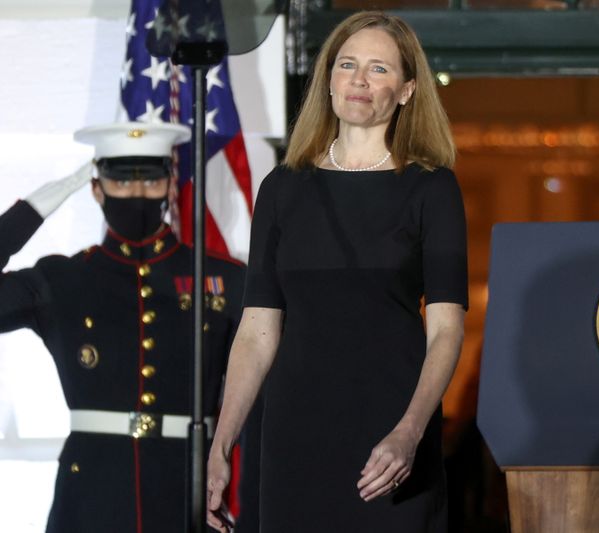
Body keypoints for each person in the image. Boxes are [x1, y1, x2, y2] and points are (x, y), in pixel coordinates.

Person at [206, 10, 468, 533]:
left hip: (390, 440)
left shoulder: (431, 189)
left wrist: (411, 431)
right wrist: (221, 444)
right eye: (347, 64)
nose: (359, 80)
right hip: (292, 436)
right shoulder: (282, 189)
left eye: (379, 69)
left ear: (408, 89)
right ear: (328, 80)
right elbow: (257, 331)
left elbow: (446, 330)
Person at [0, 122, 245, 532]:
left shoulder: (222, 278)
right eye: (119, 180)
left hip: (187, 486)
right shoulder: (62, 280)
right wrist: (34, 209)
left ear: (170, 185)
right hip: (92, 490)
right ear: (97, 189)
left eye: (150, 180)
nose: (136, 193)